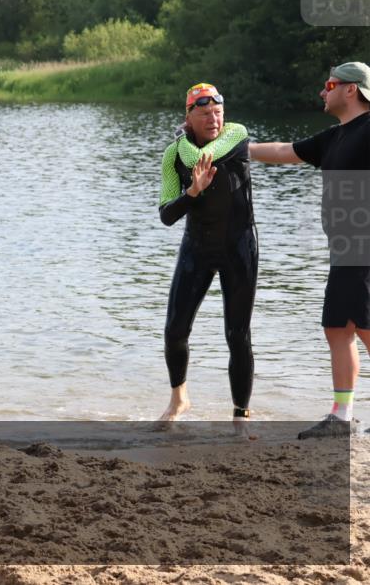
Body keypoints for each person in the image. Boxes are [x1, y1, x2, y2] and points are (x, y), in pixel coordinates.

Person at [248, 62, 370, 439]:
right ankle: (341, 417)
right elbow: (285, 151)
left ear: (352, 89)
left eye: (329, 84)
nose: (323, 91)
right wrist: (232, 150)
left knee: (365, 328)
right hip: (344, 249)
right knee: (338, 329)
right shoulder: (335, 137)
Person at [157, 84, 257, 427]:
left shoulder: (237, 135)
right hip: (197, 247)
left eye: (217, 112)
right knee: (174, 330)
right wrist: (192, 192)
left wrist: (182, 140)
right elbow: (167, 214)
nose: (213, 119)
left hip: (239, 246)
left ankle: (241, 414)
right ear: (189, 117)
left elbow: (195, 158)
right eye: (204, 114)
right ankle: (179, 399)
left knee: (237, 334)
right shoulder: (172, 155)